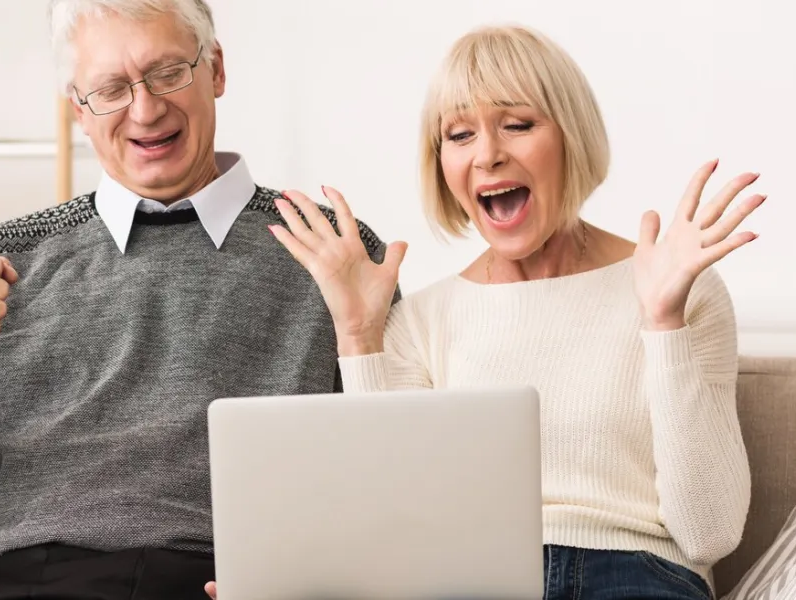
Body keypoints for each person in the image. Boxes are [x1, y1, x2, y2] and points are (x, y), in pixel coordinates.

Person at [0, 1, 394, 598]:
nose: (146, 110)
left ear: (215, 69)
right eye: (110, 89)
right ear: (78, 109)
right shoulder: (3, 259)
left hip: (221, 583)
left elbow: (398, 480)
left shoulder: (334, 255)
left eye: (167, 73)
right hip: (21, 585)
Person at [207, 23, 759, 600]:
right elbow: (391, 541)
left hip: (637, 576)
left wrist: (665, 324)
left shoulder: (677, 288)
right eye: (460, 134)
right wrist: (359, 334)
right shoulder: (421, 322)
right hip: (476, 582)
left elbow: (710, 533)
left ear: (571, 137)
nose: (489, 155)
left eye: (517, 125)